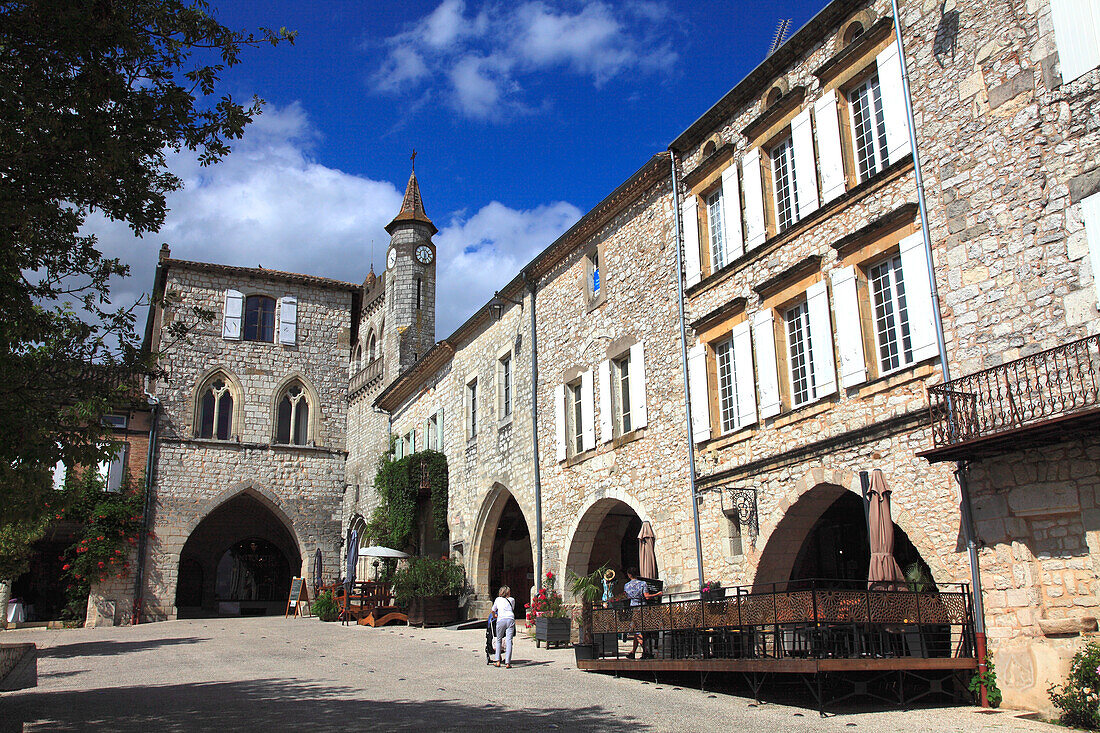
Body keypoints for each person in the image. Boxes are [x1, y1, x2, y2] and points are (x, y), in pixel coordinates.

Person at [623, 567, 660, 659]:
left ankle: (633, 652)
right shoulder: (642, 583)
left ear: (629, 575)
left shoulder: (626, 585)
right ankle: (647, 651)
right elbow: (646, 596)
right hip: (642, 608)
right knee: (638, 631)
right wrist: (657, 594)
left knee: (636, 630)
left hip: (632, 608)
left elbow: (627, 596)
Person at [491, 585, 516, 668]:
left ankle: (497, 660)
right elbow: (512, 608)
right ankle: (508, 662)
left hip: (501, 619)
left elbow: (493, 610)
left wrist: (494, 616)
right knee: (509, 640)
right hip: (510, 619)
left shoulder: (498, 600)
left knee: (499, 639)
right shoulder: (512, 600)